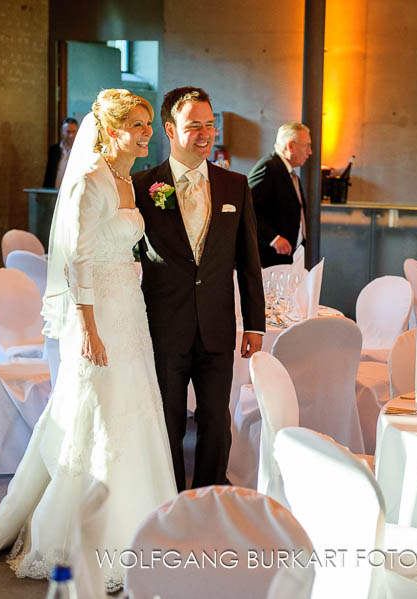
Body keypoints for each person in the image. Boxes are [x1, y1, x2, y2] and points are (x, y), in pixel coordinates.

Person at [0, 90, 176, 591]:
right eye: (139, 125)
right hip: (99, 313)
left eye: (149, 125)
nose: (147, 133)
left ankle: (145, 530)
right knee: (96, 416)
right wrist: (87, 328)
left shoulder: (127, 178)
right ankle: (81, 538)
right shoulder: (88, 182)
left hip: (129, 310)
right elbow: (76, 258)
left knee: (136, 409)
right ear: (111, 130)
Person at [134, 87, 265, 492]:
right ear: (170, 130)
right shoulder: (141, 186)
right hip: (163, 326)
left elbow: (249, 261)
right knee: (167, 422)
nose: (206, 133)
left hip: (216, 325)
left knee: (215, 422)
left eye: (210, 125)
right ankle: (171, 501)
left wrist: (255, 325)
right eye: (195, 126)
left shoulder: (234, 185)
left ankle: (209, 502)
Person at [247, 122, 312, 267]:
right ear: (290, 146)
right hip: (269, 258)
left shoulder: (290, 173)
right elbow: (247, 209)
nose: (310, 152)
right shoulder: (268, 168)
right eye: (306, 146)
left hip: (288, 257)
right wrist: (274, 239)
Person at [42, 117, 78, 189]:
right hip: (54, 193)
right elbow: (49, 174)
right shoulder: (54, 150)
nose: (71, 135)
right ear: (62, 132)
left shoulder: (81, 151)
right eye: (68, 132)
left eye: (74, 132)